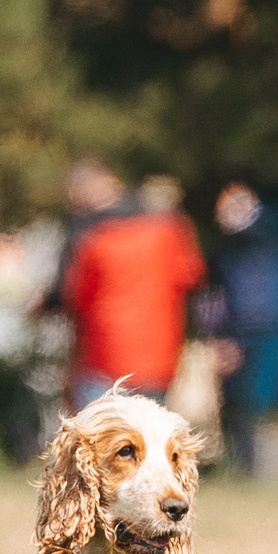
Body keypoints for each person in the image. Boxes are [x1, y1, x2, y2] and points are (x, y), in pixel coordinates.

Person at [58, 163, 205, 408]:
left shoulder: (92, 238)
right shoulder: (170, 231)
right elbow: (191, 277)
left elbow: (75, 297)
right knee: (148, 434)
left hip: (104, 357)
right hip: (158, 354)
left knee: (101, 436)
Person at [208, 181, 278, 476]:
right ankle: (242, 466)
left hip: (251, 337)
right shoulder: (242, 244)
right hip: (246, 335)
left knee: (248, 408)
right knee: (238, 409)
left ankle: (248, 468)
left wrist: (233, 339)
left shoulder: (252, 244)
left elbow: (251, 300)